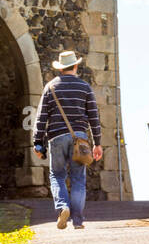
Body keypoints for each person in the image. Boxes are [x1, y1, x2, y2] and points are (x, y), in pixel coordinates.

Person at [33, 50, 103, 230]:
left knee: (57, 175)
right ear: (76, 66)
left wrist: (38, 142)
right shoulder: (85, 87)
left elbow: (41, 117)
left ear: (60, 68)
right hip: (79, 139)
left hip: (56, 137)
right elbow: (94, 117)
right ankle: (78, 220)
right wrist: (97, 143)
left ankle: (63, 207)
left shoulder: (50, 87)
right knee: (78, 178)